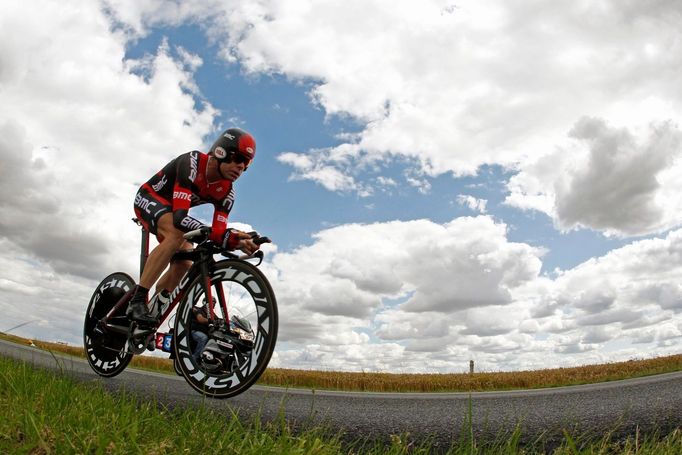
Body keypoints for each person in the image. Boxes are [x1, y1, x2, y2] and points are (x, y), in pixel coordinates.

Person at [128, 127, 261, 325]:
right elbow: (180, 219)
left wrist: (235, 240)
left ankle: (153, 308)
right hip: (150, 198)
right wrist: (215, 234)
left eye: (246, 163)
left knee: (185, 263)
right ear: (221, 151)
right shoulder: (192, 163)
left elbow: (217, 234)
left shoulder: (227, 193)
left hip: (172, 211)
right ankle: (137, 300)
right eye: (238, 158)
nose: (241, 166)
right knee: (176, 235)